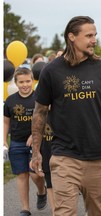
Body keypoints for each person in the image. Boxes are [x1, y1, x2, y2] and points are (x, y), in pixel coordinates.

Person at [30, 16, 101, 216]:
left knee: (97, 212)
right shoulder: (51, 70)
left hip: (99, 156)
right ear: (71, 37)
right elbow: (40, 112)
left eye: (95, 35)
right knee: (64, 212)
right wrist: (36, 151)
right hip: (64, 156)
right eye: (89, 35)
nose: (94, 40)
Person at [4, 67, 47, 216]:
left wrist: (34, 135)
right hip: (16, 142)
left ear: (32, 80)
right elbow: (5, 122)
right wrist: (4, 140)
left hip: (36, 143)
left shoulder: (39, 99)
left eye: (28, 81)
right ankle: (25, 208)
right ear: (16, 83)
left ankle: (41, 191)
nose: (25, 84)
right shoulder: (10, 101)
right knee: (22, 175)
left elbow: (45, 120)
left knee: (35, 174)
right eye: (21, 82)